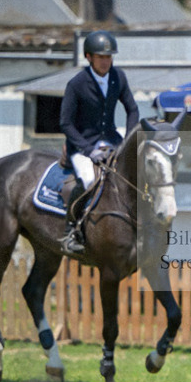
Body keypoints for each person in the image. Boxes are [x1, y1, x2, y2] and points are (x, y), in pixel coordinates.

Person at [59, 30, 139, 255]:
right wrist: (87, 149)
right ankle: (72, 231)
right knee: (87, 181)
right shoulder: (76, 84)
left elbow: (132, 109)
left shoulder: (118, 77)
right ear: (89, 57)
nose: (106, 61)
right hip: (83, 146)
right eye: (101, 57)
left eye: (109, 57)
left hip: (112, 142)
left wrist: (128, 141)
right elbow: (65, 123)